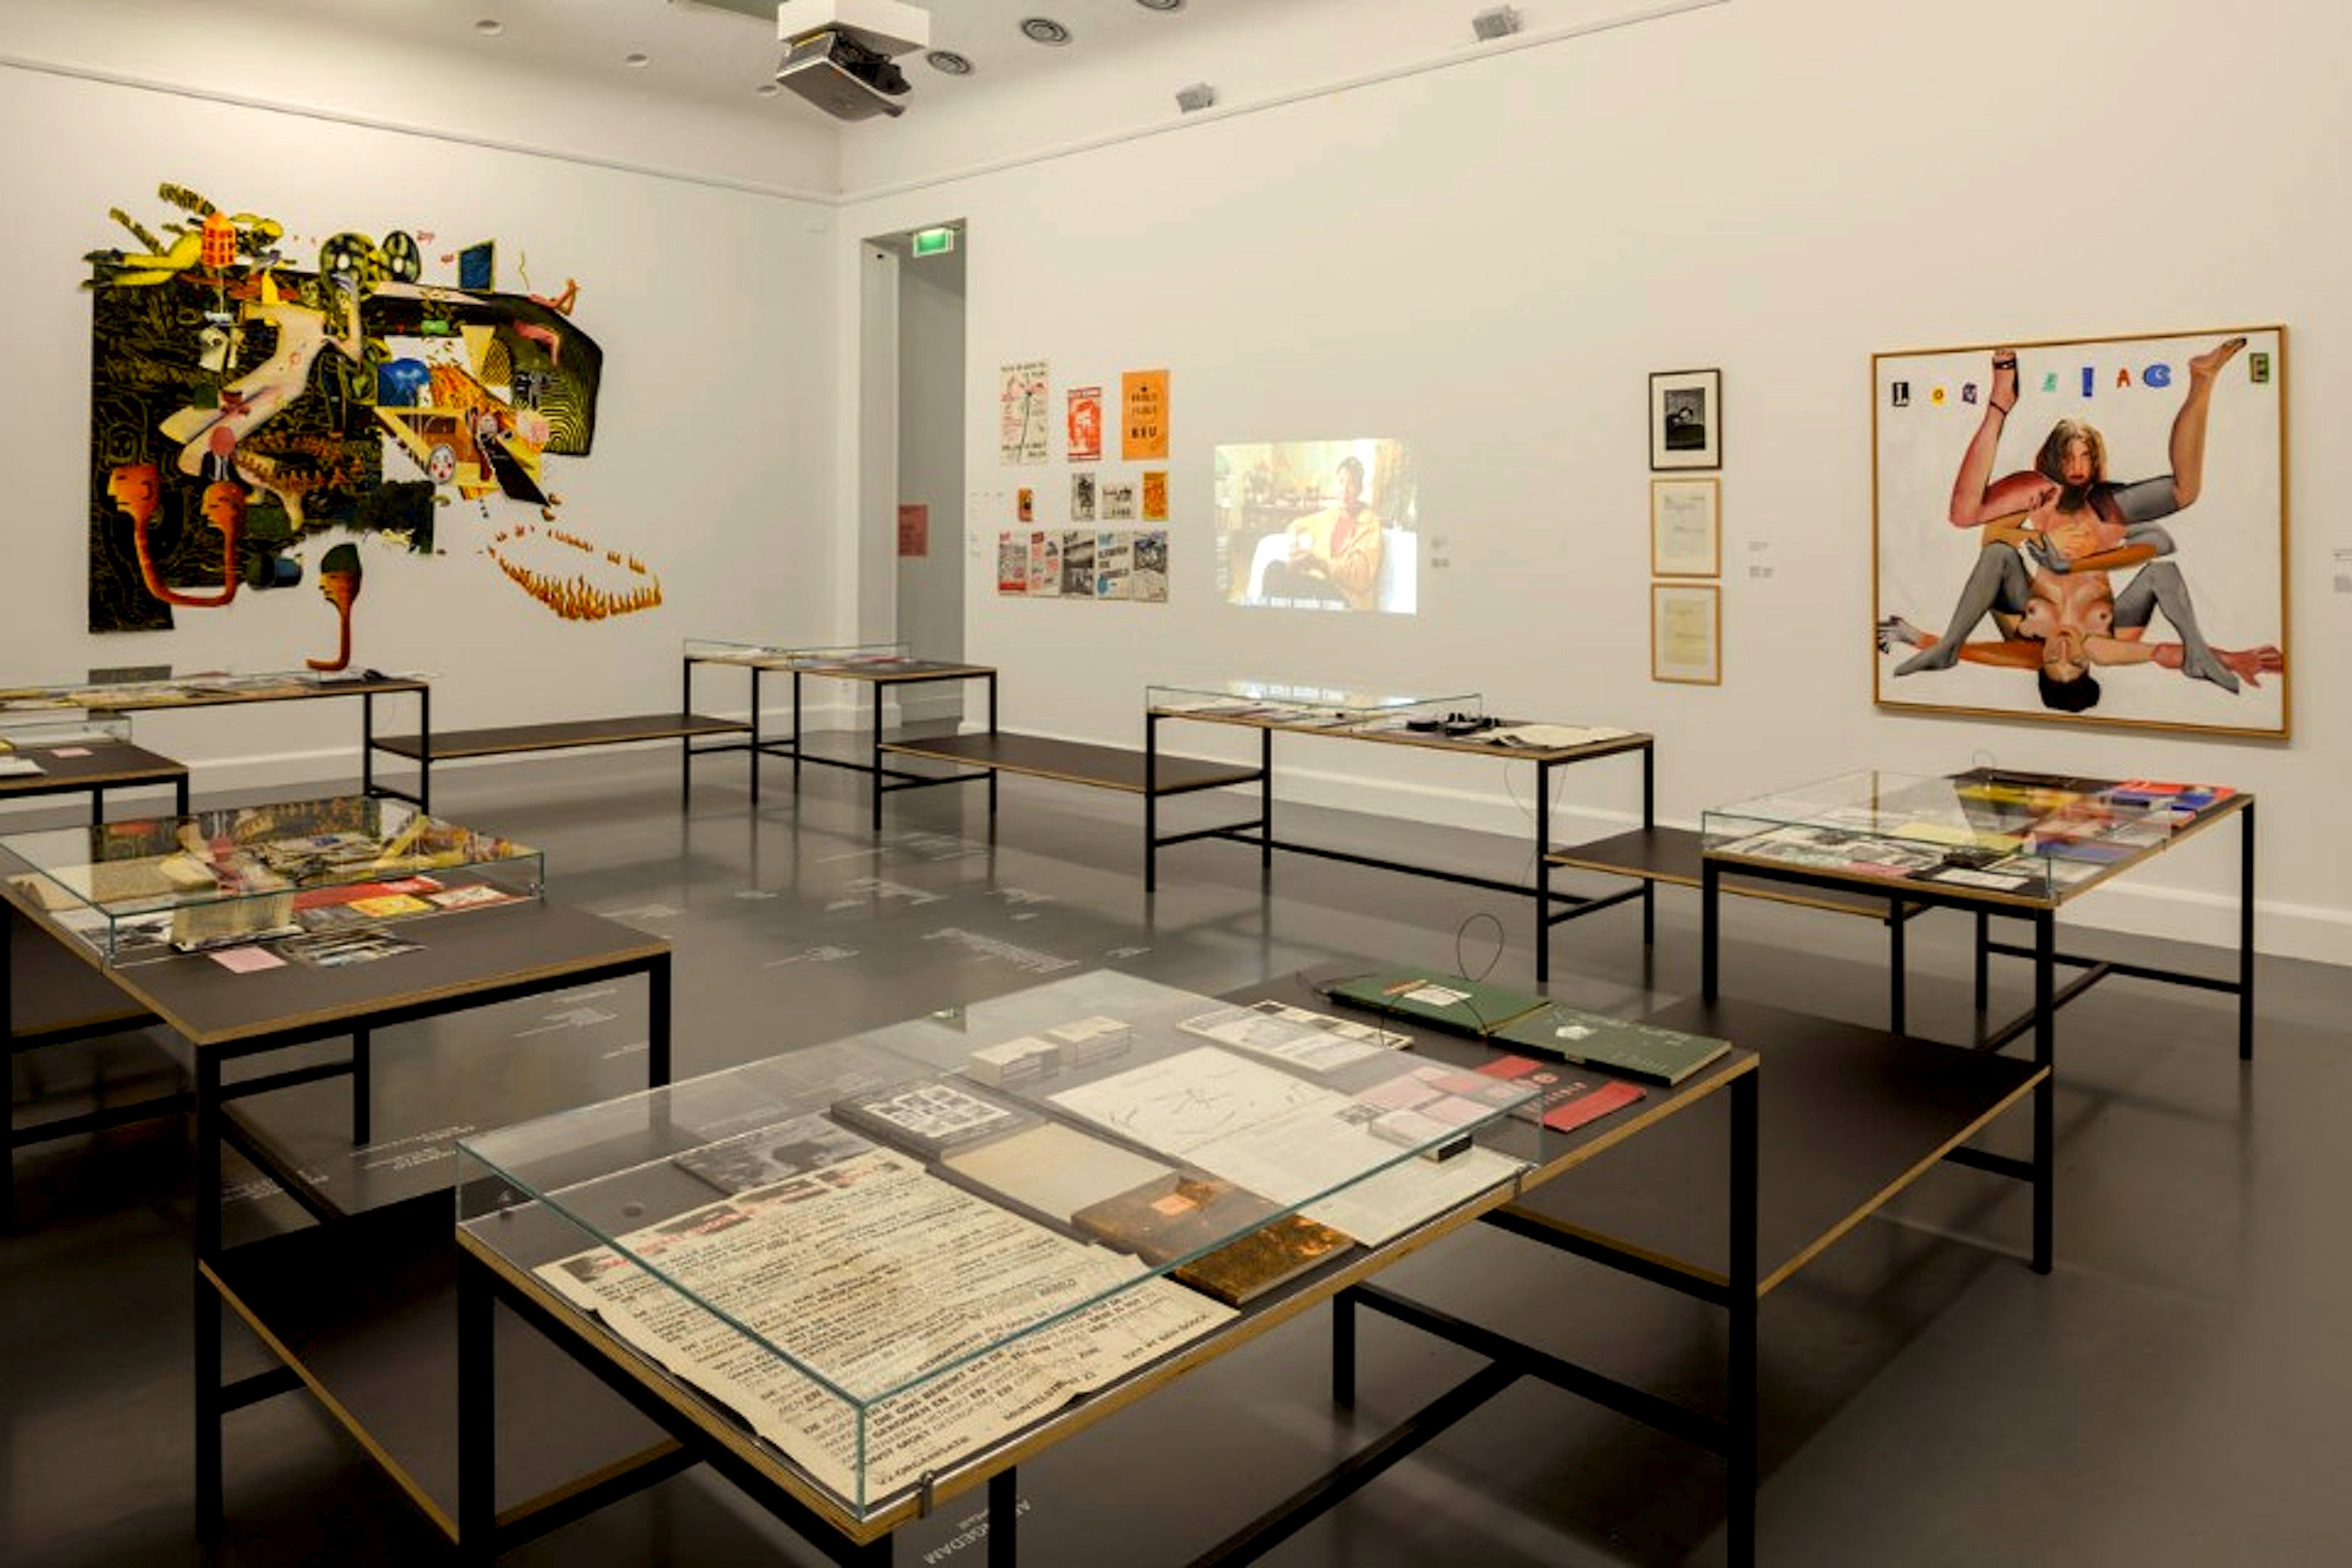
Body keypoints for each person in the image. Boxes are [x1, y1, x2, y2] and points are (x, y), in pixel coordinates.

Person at [1891, 336, 2259, 709]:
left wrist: (1924, 639)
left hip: (2050, 508)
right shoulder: (2105, 646)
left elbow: (1993, 548)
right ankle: (2202, 380)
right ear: (2088, 665)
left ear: (2042, 663)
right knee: (2185, 494)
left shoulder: (2028, 642)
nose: (2064, 649)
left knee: (1971, 524)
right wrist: (2216, 655)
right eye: (2076, 662)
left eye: (2053, 660)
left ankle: (1999, 405)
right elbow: (2162, 564)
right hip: (2099, 511)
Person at [1261, 455, 1382, 609]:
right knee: (1275, 570)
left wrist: (1320, 563)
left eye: (1352, 483)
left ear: (1360, 489)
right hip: (1324, 587)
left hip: (1349, 599)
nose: (1345, 490)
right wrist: (1296, 554)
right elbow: (1296, 525)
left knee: (1287, 581)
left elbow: (1360, 576)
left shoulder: (1370, 524)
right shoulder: (1331, 515)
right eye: (1341, 482)